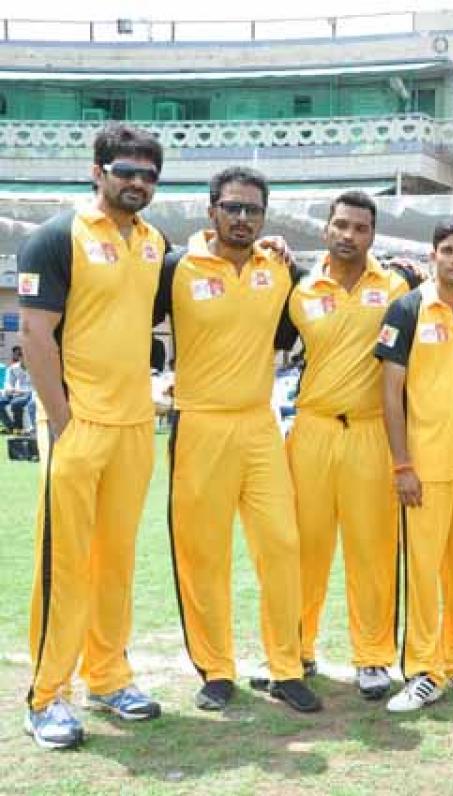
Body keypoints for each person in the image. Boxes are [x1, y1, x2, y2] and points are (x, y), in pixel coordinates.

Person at [18, 124, 167, 749]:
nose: (138, 182)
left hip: (134, 425)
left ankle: (108, 677)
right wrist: (63, 421)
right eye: (126, 170)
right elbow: (34, 335)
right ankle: (46, 696)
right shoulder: (57, 237)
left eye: (149, 174)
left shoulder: (154, 242)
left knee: (116, 561)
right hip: (77, 425)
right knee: (66, 564)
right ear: (97, 171)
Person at [156, 166, 320, 714]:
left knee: (283, 545)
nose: (242, 218)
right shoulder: (175, 268)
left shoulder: (278, 269)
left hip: (259, 423)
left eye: (253, 210)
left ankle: (285, 668)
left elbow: (313, 310)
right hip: (199, 424)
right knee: (204, 554)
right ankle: (217, 670)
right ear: (212, 212)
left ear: (265, 218)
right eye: (232, 207)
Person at [283, 191, 416, 701]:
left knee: (372, 549)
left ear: (373, 235)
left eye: (360, 228)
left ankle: (373, 656)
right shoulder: (299, 289)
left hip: (369, 432)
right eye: (340, 225)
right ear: (326, 229)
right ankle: (295, 650)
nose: (349, 235)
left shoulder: (398, 286)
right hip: (313, 428)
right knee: (304, 547)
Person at [376, 216, 453, 712]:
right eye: (448, 250)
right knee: (422, 574)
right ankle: (423, 671)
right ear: (433, 255)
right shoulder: (407, 309)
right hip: (424, 467)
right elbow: (390, 393)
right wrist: (402, 465)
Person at [0, 349, 33, 433]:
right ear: (20, 357)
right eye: (23, 357)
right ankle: (10, 426)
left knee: (16, 402)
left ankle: (18, 427)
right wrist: (10, 389)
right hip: (14, 393)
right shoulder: (13, 368)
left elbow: (34, 387)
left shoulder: (34, 369)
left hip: (29, 393)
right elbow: (8, 383)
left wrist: (22, 391)